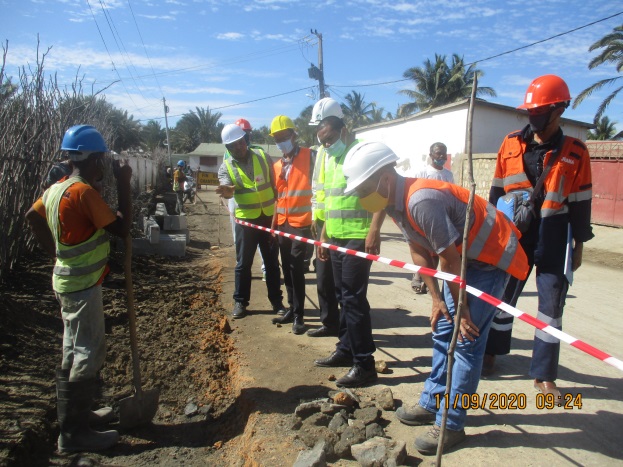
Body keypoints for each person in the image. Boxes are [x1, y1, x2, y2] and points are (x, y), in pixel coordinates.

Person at [342, 140, 529, 454]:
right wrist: (437, 301)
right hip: (464, 260)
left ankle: (451, 424)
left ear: (385, 179)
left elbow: (449, 261)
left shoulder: (420, 199)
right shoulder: (394, 203)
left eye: (364, 190)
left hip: (491, 259)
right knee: (444, 328)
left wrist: (463, 309)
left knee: (465, 339)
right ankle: (432, 402)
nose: (362, 198)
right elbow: (420, 251)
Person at [484, 75, 594, 397]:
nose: (534, 117)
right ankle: (491, 352)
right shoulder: (510, 143)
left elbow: (581, 201)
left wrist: (579, 246)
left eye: (541, 110)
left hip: (556, 236)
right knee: (503, 296)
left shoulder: (576, 151)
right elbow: (495, 192)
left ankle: (544, 374)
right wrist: (489, 233)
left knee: (551, 307)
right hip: (515, 234)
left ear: (559, 110)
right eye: (530, 110)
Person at [25, 125, 132, 452]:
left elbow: (32, 215)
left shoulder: (57, 188)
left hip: (68, 282)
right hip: (82, 287)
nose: (102, 166)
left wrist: (55, 253)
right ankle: (74, 434)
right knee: (88, 353)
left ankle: (78, 417)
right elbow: (123, 228)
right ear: (93, 159)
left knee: (72, 350)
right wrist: (125, 185)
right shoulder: (83, 193)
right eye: (101, 159)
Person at [311, 98, 386, 388]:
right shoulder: (328, 155)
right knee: (343, 296)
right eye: (321, 138)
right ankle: (345, 350)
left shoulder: (361, 151)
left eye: (328, 137)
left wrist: (375, 229)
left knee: (354, 299)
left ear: (341, 128)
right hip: (336, 234)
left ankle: (365, 364)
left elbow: (381, 192)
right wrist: (323, 236)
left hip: (359, 234)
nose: (325, 143)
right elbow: (330, 200)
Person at [216, 124, 287, 319]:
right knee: (243, 264)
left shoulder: (262, 157)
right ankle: (240, 302)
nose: (239, 147)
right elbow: (226, 186)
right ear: (228, 148)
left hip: (268, 218)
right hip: (246, 223)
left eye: (241, 142)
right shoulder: (226, 166)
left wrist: (278, 214)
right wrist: (227, 190)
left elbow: (275, 184)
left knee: (272, 263)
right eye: (234, 145)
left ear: (245, 140)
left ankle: (277, 302)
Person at [269, 115, 315, 335]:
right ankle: (290, 307)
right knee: (286, 267)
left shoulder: (310, 156)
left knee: (296, 267)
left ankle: (299, 315)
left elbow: (319, 188)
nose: (281, 142)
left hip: (302, 224)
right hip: (282, 224)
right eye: (277, 138)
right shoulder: (277, 164)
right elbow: (278, 197)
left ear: (294, 135)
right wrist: (274, 225)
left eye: (284, 137)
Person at [410, 142, 455, 295]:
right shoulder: (422, 172)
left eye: (444, 153)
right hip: (424, 217)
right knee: (423, 249)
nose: (441, 156)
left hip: (442, 217)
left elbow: (452, 194)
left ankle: (430, 281)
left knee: (438, 250)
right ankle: (418, 276)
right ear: (431, 155)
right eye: (438, 153)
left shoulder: (448, 175)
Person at [307, 129, 339, 339]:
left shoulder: (342, 154)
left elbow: (334, 193)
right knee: (323, 276)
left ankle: (343, 330)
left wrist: (325, 230)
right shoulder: (320, 152)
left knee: (340, 283)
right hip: (320, 221)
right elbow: (317, 188)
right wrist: (313, 215)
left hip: (335, 222)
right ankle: (329, 322)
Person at [226, 118, 267, 281]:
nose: (244, 139)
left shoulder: (258, 151)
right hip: (237, 200)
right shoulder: (227, 153)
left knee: (263, 239)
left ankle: (265, 269)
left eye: (246, 135)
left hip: (260, 202)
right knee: (240, 237)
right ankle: (243, 266)